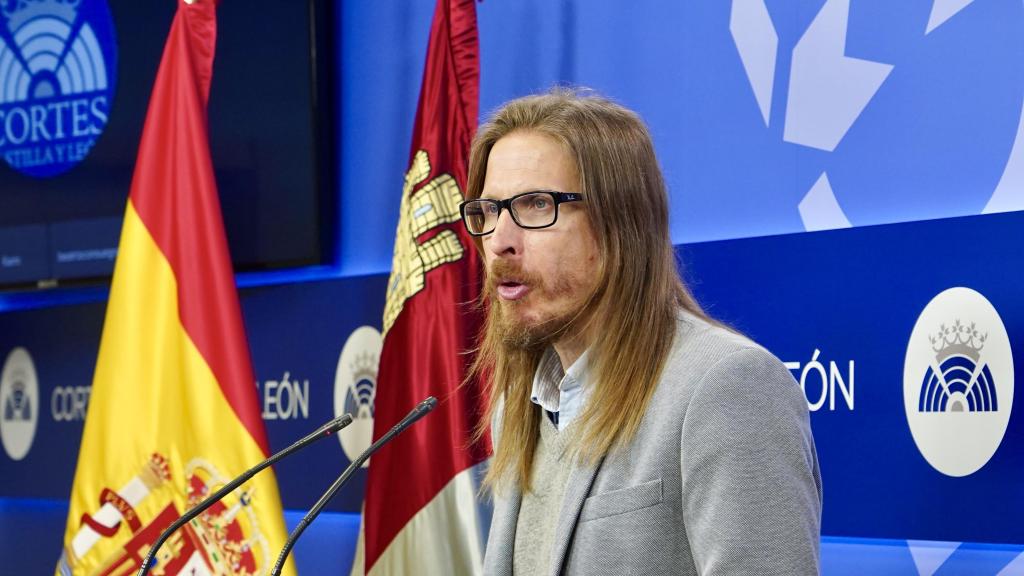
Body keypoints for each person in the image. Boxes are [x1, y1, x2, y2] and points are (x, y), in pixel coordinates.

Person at [460, 88, 822, 575]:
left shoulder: (725, 387)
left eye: (534, 205)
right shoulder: (519, 408)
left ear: (621, 223)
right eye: (487, 212)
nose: (500, 241)